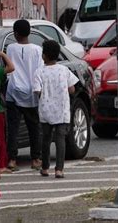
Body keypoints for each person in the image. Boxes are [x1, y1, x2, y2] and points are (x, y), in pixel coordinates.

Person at [33, 40, 79, 178]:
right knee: (60, 139)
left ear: (44, 56)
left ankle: (45, 167)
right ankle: (59, 169)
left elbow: (37, 91)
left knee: (46, 139)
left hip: (46, 110)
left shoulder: (39, 72)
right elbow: (72, 89)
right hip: (62, 109)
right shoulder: (64, 70)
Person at [6, 19, 44, 171]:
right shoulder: (37, 49)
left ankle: (12, 160)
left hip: (13, 91)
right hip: (31, 92)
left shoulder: (10, 48)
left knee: (13, 128)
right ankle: (35, 159)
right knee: (34, 127)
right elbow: (39, 71)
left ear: (15, 33)